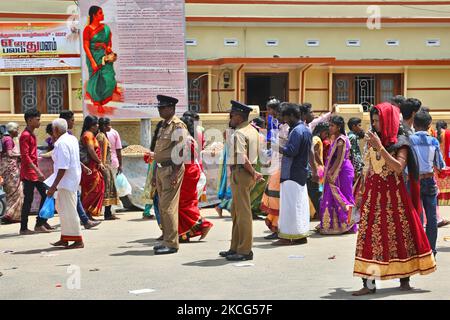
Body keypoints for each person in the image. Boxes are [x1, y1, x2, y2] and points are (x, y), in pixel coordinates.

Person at [352, 102, 436, 296]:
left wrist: (380, 147)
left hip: (394, 200)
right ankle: (369, 284)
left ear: (388, 120)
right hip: (373, 198)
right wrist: (360, 195)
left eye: (378, 121)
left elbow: (398, 167)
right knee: (369, 239)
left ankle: (405, 279)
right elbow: (369, 169)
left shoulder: (401, 142)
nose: (374, 125)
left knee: (400, 236)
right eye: (372, 121)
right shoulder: (372, 140)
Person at [219, 100, 263, 261]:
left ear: (238, 116)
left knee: (243, 214)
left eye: (231, 115)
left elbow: (242, 157)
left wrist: (253, 172)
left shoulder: (239, 133)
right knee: (236, 212)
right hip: (246, 174)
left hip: (242, 172)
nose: (229, 118)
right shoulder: (252, 130)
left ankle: (244, 250)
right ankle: (235, 247)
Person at [152, 95, 189, 255]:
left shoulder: (177, 126)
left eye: (163, 107)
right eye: (159, 107)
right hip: (161, 169)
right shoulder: (164, 126)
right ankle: (167, 239)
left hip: (170, 169)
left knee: (168, 208)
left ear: (172, 108)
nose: (160, 110)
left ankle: (172, 243)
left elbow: (181, 151)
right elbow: (159, 150)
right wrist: (154, 174)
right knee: (162, 207)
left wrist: (174, 173)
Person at [271, 103, 311, 245]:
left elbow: (291, 151)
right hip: (299, 172)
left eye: (285, 116)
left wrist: (276, 146)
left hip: (291, 173)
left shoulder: (296, 131)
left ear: (292, 116)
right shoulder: (304, 130)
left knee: (290, 206)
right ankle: (300, 235)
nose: (283, 119)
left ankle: (287, 236)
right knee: (299, 205)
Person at [410, 110, 444, 257]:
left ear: (414, 124)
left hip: (414, 181)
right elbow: (440, 164)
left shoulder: (409, 140)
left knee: (415, 216)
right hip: (429, 180)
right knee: (431, 218)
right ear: (429, 124)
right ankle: (431, 250)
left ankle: (417, 248)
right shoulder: (434, 141)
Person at [46, 119, 84, 249]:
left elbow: (63, 167)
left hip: (65, 182)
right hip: (71, 180)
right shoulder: (71, 139)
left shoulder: (61, 143)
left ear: (56, 130)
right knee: (63, 210)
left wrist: (53, 186)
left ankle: (78, 240)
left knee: (69, 211)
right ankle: (65, 237)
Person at [59, 111, 100, 229]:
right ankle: (41, 221)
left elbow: (74, 156)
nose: (74, 122)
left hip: (73, 174)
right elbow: (63, 163)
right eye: (72, 120)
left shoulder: (70, 137)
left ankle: (85, 220)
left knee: (75, 197)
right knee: (64, 201)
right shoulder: (61, 142)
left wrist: (82, 166)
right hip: (65, 177)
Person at [318, 116, 356, 235]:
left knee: (345, 196)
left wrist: (331, 173)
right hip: (340, 170)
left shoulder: (341, 140)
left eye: (332, 126)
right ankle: (339, 224)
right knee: (336, 197)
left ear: (338, 127)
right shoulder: (338, 139)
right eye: (329, 125)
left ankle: (350, 224)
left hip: (342, 171)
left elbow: (340, 158)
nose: (329, 128)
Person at [178, 116, 213, 242]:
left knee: (183, 204)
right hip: (192, 170)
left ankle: (203, 224)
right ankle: (185, 232)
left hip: (188, 172)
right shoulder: (189, 139)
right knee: (186, 202)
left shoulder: (185, 139)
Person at [19, 109, 52, 235]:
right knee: (29, 199)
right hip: (29, 173)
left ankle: (40, 222)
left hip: (33, 172)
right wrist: (37, 171)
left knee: (46, 194)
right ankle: (24, 228)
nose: (39, 121)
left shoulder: (31, 134)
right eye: (37, 119)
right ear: (29, 120)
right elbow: (25, 156)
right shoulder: (25, 135)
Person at [261, 98, 288, 240]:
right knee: (272, 195)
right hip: (275, 162)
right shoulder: (274, 123)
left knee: (276, 196)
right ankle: (275, 225)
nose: (269, 112)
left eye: (271, 109)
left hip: (282, 165)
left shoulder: (286, 127)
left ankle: (278, 227)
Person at [83, 5, 117, 112]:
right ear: (94, 15)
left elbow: (108, 43)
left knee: (109, 76)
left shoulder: (105, 28)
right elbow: (86, 46)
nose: (103, 15)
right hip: (94, 57)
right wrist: (92, 61)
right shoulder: (87, 29)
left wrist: (108, 48)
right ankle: (99, 104)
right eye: (100, 13)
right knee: (98, 80)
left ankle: (111, 91)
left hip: (104, 56)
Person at [80, 115, 106, 219]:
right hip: (90, 167)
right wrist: (99, 162)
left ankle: (87, 213)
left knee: (97, 188)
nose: (97, 126)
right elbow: (91, 150)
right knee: (94, 189)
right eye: (96, 124)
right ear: (91, 126)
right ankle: (83, 211)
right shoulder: (88, 135)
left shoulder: (90, 134)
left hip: (93, 166)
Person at [97, 118, 120, 220]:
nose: (110, 127)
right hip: (105, 166)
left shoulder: (104, 136)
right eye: (108, 125)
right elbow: (101, 153)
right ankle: (105, 213)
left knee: (110, 189)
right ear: (103, 126)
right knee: (106, 189)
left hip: (108, 165)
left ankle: (108, 213)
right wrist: (102, 164)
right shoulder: (101, 137)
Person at [0, 122, 23, 224]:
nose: (18, 131)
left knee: (10, 192)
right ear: (13, 130)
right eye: (17, 129)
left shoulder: (3, 138)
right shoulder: (8, 139)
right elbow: (9, 154)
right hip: (10, 168)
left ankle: (10, 213)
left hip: (4, 168)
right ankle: (11, 214)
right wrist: (20, 155)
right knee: (17, 191)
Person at [249, 117, 269, 219]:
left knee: (255, 186)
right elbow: (263, 151)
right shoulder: (261, 136)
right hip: (261, 163)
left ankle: (253, 208)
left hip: (254, 162)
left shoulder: (252, 136)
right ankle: (253, 208)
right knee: (260, 186)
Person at [310, 122, 327, 219]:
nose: (326, 136)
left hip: (316, 168)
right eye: (326, 133)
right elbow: (314, 152)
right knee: (318, 192)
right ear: (321, 132)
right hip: (318, 168)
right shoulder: (317, 139)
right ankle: (316, 212)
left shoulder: (314, 138)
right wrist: (321, 164)